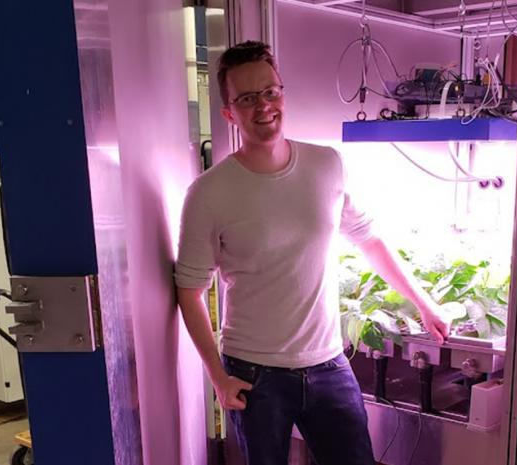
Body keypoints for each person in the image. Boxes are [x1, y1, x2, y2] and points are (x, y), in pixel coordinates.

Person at [175, 40, 452, 465]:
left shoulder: (327, 165)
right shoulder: (209, 193)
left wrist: (425, 303)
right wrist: (219, 378)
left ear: (282, 94)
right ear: (230, 113)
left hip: (329, 363)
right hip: (253, 372)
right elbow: (190, 290)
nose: (263, 106)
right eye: (247, 98)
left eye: (270, 92)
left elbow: (369, 240)